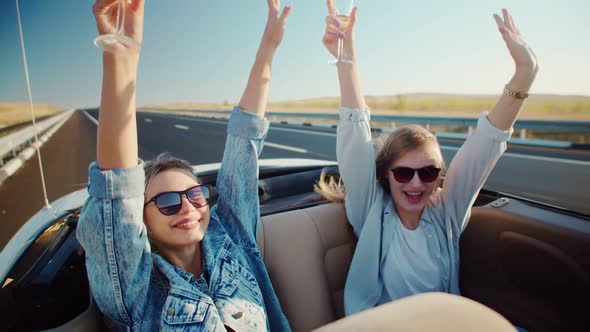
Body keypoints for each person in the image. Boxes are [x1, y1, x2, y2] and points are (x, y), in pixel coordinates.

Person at [77, 0, 293, 330]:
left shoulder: (231, 235)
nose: (188, 207)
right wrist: (121, 57)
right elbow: (117, 189)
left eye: (195, 195)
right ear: (142, 223)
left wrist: (268, 48)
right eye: (166, 202)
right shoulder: (138, 290)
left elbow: (243, 142)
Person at [317, 0, 539, 316]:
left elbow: (485, 143)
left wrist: (524, 74)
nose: (418, 183)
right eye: (404, 173)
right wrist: (346, 59)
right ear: (385, 175)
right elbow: (355, 137)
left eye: (429, 172)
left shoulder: (446, 211)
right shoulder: (371, 213)